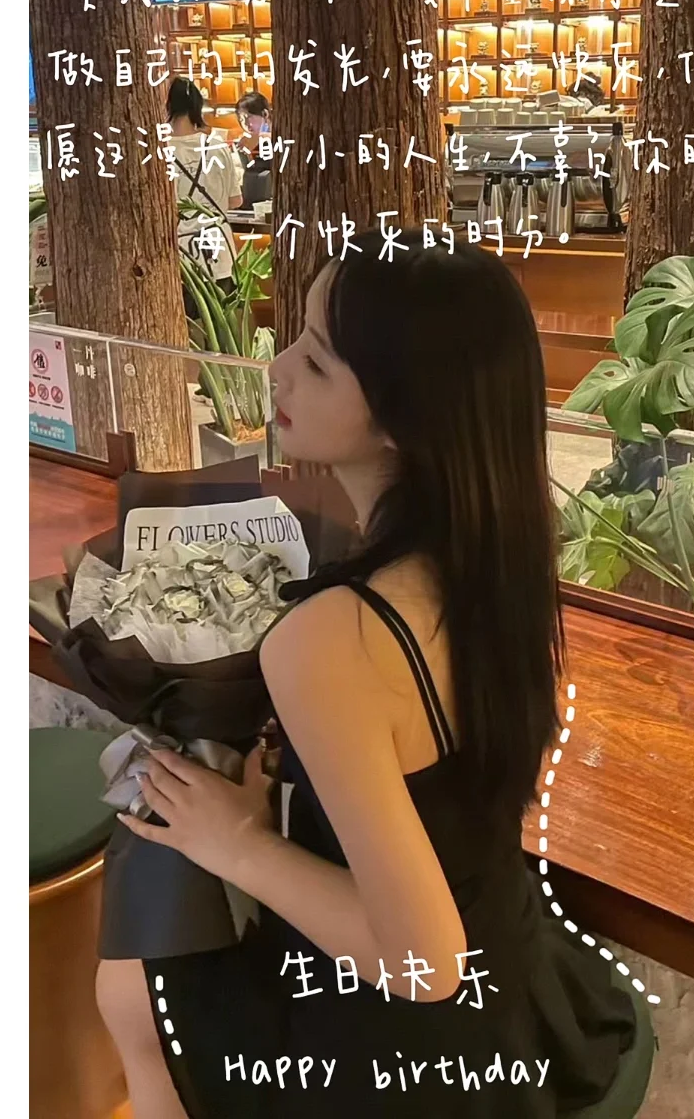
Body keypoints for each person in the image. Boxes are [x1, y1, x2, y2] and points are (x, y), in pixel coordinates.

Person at [95, 230, 654, 1119]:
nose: (277, 368)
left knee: (133, 991)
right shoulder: (499, 553)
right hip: (514, 968)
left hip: (417, 1053)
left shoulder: (333, 637)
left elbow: (425, 963)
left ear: (402, 415)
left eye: (316, 360)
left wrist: (235, 842)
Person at [167, 77, 242, 281]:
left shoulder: (161, 152)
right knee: (225, 301)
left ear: (167, 107)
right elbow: (235, 200)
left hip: (183, 258)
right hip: (220, 251)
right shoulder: (217, 146)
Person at [234, 90, 273, 212]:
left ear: (265, 114)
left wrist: (261, 137)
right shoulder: (246, 141)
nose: (245, 123)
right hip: (254, 202)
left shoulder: (277, 135)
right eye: (241, 119)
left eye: (249, 117)